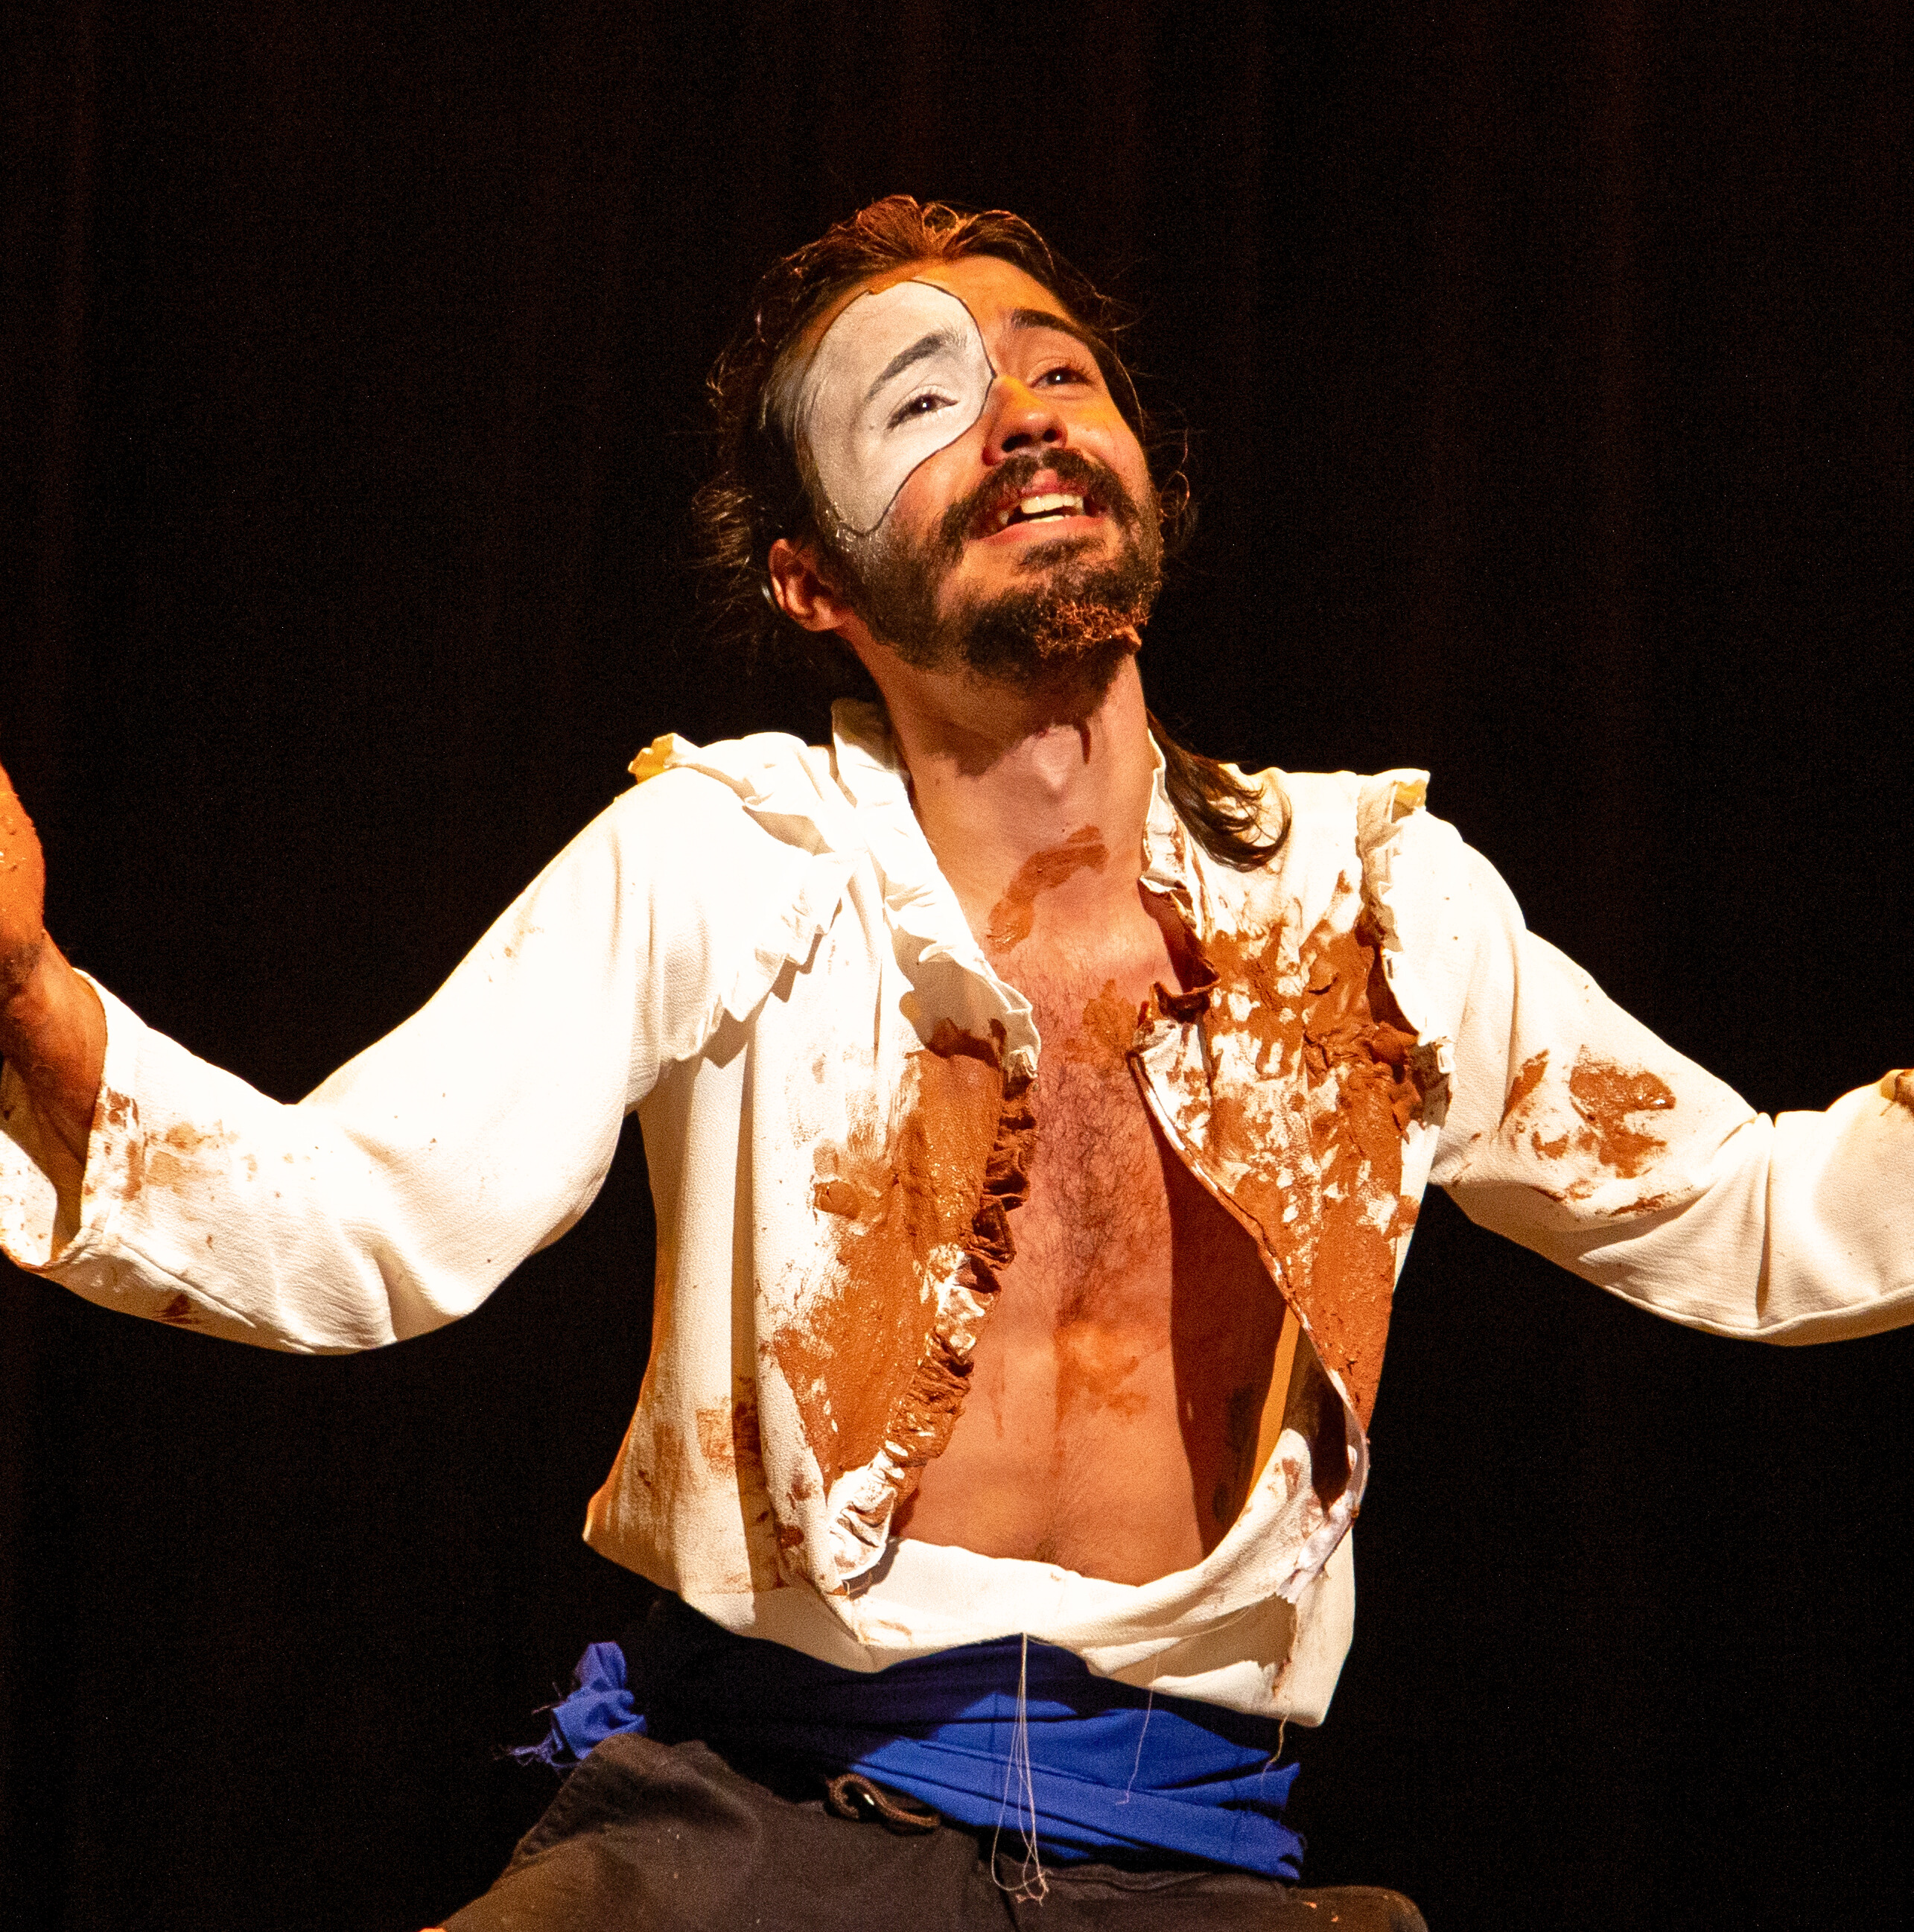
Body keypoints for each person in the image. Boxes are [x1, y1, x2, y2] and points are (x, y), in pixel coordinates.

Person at [1, 197, 1909, 1931]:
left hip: (1189, 1865)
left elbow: (1760, 1219)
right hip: (738, 1830)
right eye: (918, 402)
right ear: (810, 584)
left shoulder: (1376, 911)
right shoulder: (730, 866)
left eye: (1057, 373)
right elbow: (356, 1220)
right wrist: (20, 993)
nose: (1016, 419)